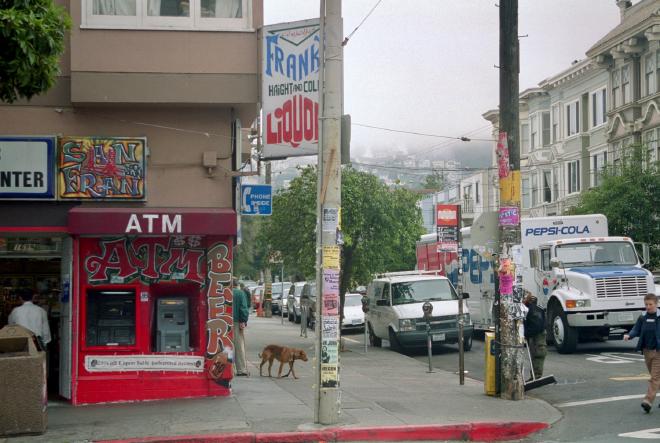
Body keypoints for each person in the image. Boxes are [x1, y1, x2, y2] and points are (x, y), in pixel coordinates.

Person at [624, 293, 660, 413]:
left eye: (650, 304)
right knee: (657, 378)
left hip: (658, 352)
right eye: (646, 304)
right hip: (646, 351)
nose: (648, 307)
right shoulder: (643, 317)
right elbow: (636, 329)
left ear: (656, 304)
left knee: (654, 377)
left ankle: (648, 401)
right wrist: (629, 335)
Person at [523, 293, 547, 380]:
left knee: (537, 354)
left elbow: (535, 326)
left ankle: (536, 376)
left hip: (536, 335)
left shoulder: (529, 309)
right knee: (538, 354)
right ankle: (535, 375)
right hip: (539, 333)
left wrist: (525, 333)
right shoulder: (538, 308)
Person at [232, 278, 250, 376]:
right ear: (237, 284)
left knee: (227, 345)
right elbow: (243, 308)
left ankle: (230, 368)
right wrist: (243, 320)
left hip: (224, 321)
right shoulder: (240, 293)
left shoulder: (224, 292)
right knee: (239, 346)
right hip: (237, 321)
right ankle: (241, 369)